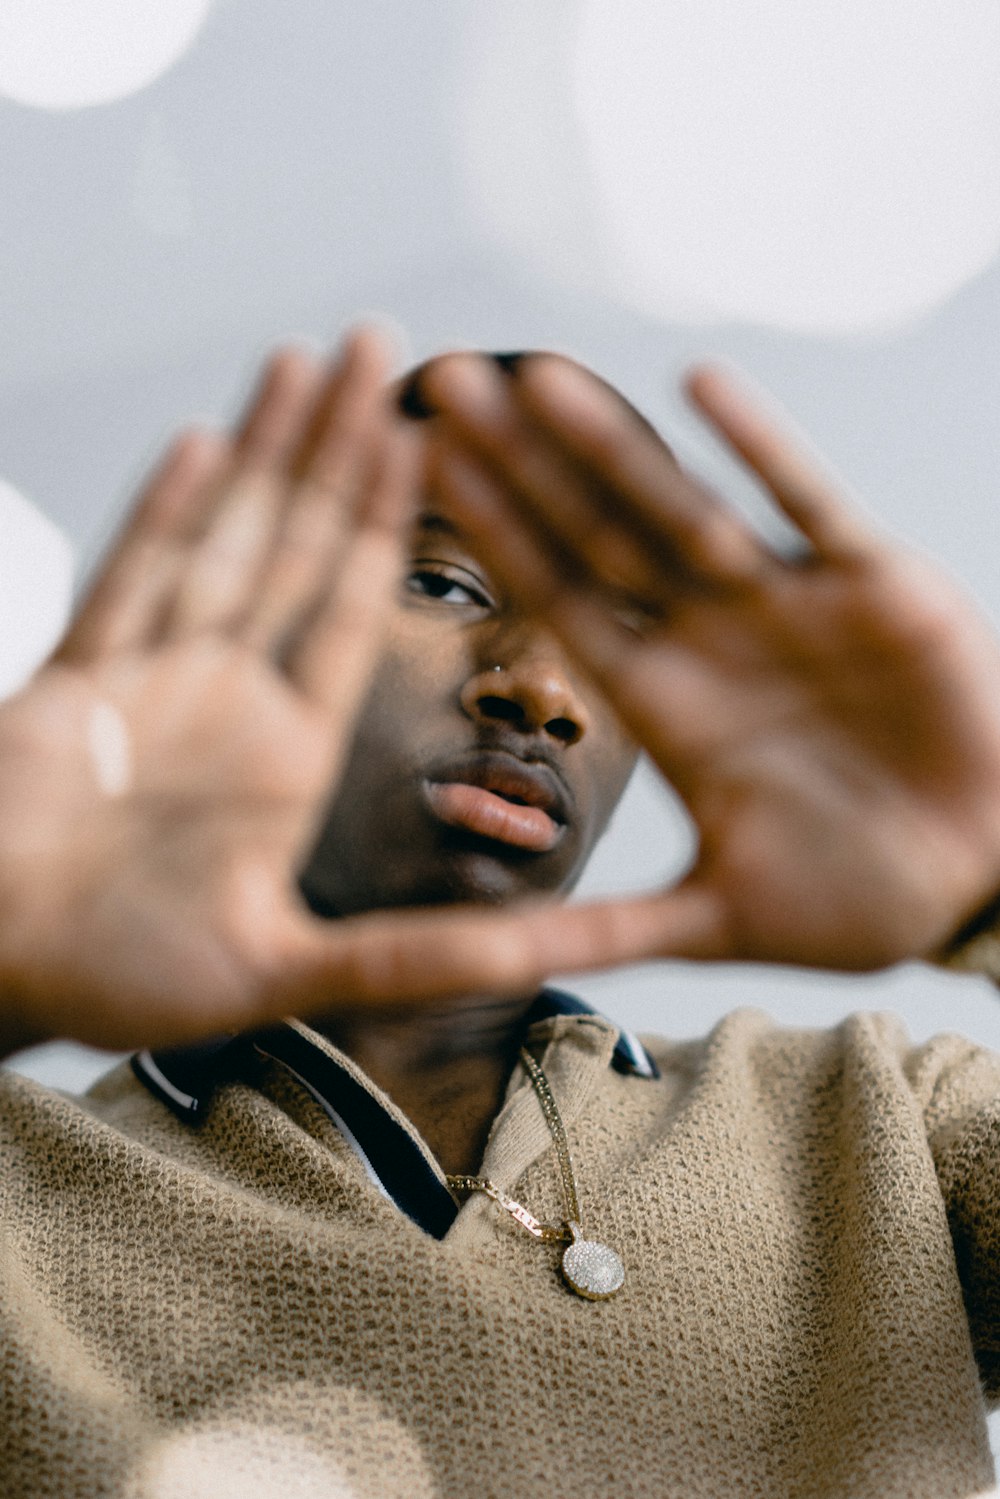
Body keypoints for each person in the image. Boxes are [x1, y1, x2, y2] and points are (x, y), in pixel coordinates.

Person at [2, 327, 1000, 1498]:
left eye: (620, 632)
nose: (541, 684)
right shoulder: (27, 1190)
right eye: (442, 582)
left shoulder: (879, 1119)